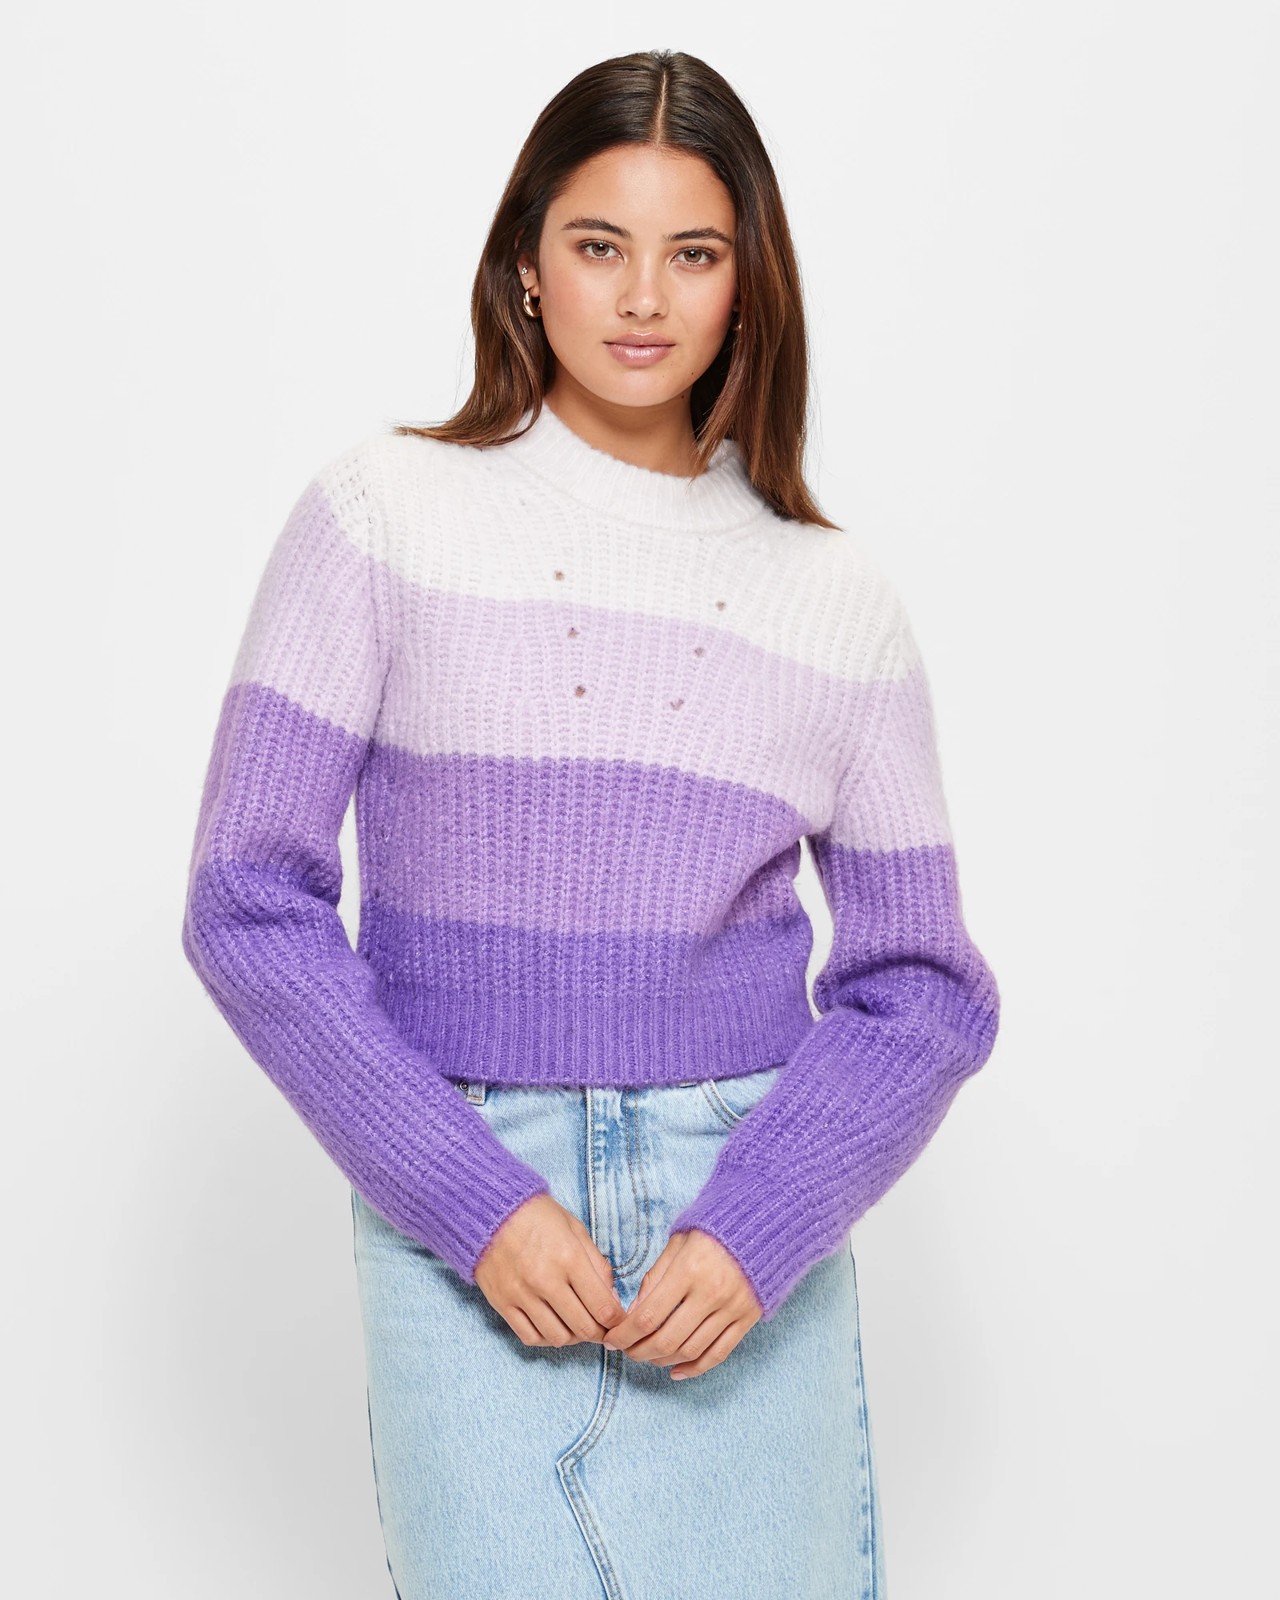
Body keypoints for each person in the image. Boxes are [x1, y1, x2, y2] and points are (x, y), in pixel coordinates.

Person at [181, 46, 1000, 1600]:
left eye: (693, 253)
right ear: (525, 266)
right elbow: (246, 898)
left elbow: (924, 988)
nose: (641, 297)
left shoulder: (836, 598)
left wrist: (762, 1223)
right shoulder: (381, 516)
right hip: (467, 1214)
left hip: (739, 1224)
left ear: (749, 285)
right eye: (598, 244)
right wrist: (467, 1198)